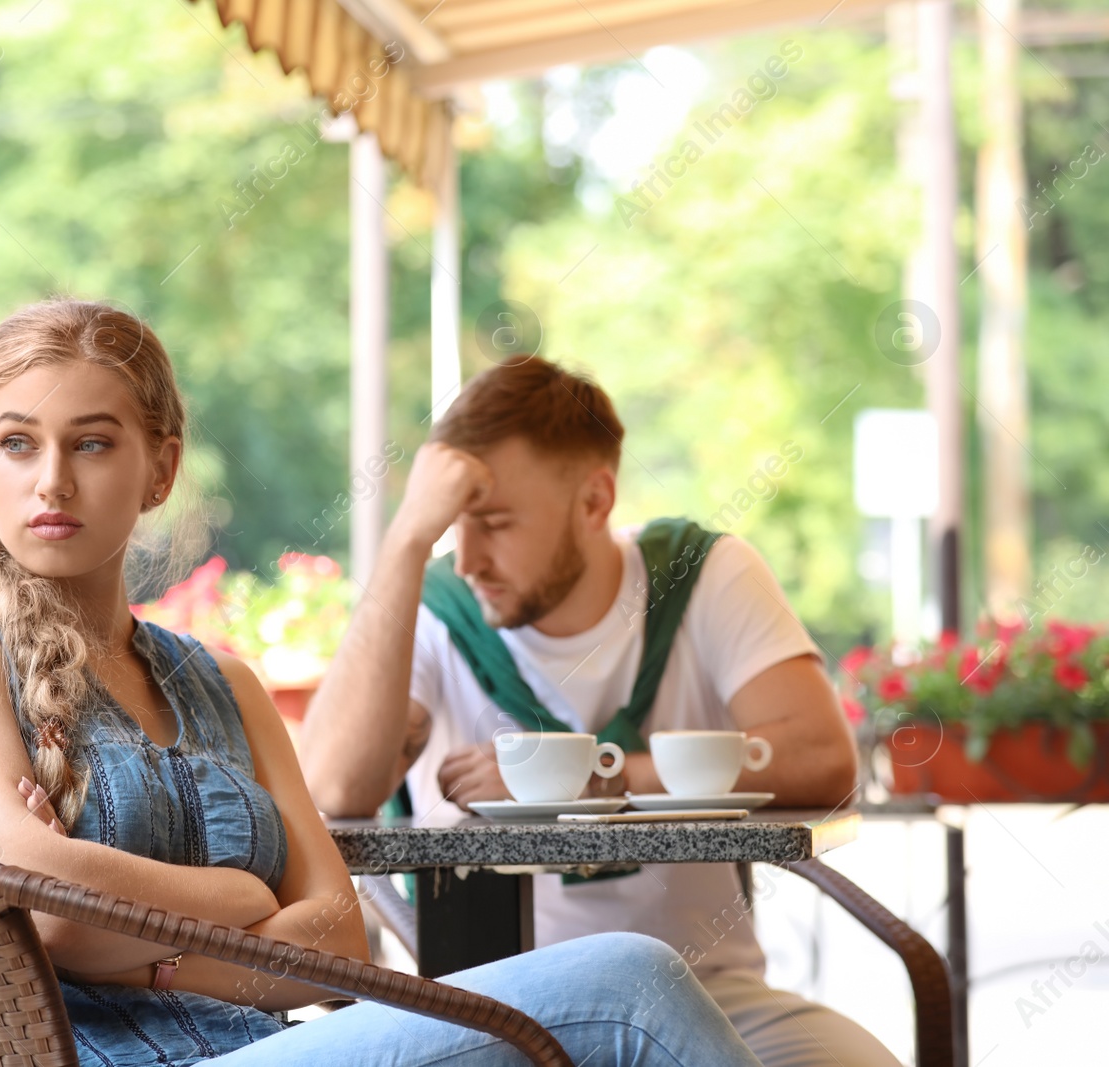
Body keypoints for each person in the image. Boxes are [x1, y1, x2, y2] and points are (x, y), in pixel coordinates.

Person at [0, 300, 763, 1066]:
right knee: (627, 981)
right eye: (17, 444)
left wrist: (153, 948)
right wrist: (242, 902)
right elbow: (46, 912)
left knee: (619, 999)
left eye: (93, 443)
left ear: (162, 469)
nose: (52, 480)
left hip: (279, 1046)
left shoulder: (223, 684)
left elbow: (342, 939)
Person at [298, 356, 900, 1067]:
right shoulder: (435, 610)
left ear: (594, 500)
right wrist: (404, 542)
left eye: (493, 522)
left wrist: (602, 779)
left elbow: (825, 762)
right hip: (490, 1007)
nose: (469, 560)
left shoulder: (703, 574)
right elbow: (332, 790)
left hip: (710, 988)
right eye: (452, 528)